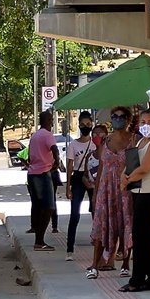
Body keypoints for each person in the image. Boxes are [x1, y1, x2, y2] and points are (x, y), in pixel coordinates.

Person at [120, 109, 150, 292]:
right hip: (139, 191)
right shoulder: (141, 141)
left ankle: (137, 279)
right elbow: (130, 164)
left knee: (141, 236)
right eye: (142, 122)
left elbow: (144, 168)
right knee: (146, 237)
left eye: (149, 121)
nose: (145, 125)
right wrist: (123, 177)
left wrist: (127, 179)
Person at [86, 106, 134, 279]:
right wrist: (95, 193)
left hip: (124, 189)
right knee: (101, 224)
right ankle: (94, 265)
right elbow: (101, 169)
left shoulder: (134, 140)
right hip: (105, 190)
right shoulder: (106, 141)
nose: (118, 119)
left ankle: (126, 263)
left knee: (125, 224)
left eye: (122, 116)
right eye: (114, 116)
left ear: (128, 120)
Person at [25, 109, 61, 251]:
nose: (52, 123)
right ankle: (39, 241)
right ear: (47, 121)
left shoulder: (35, 136)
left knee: (39, 207)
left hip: (32, 174)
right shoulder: (47, 135)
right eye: (51, 120)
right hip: (43, 173)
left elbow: (29, 157)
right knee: (49, 207)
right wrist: (56, 163)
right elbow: (55, 150)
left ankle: (38, 240)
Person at [63, 110, 96, 261]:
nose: (85, 127)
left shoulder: (95, 144)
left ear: (92, 125)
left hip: (93, 178)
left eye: (88, 124)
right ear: (78, 126)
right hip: (78, 177)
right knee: (74, 214)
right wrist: (68, 186)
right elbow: (70, 165)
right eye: (82, 125)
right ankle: (69, 249)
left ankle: (98, 244)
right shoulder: (73, 145)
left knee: (96, 213)